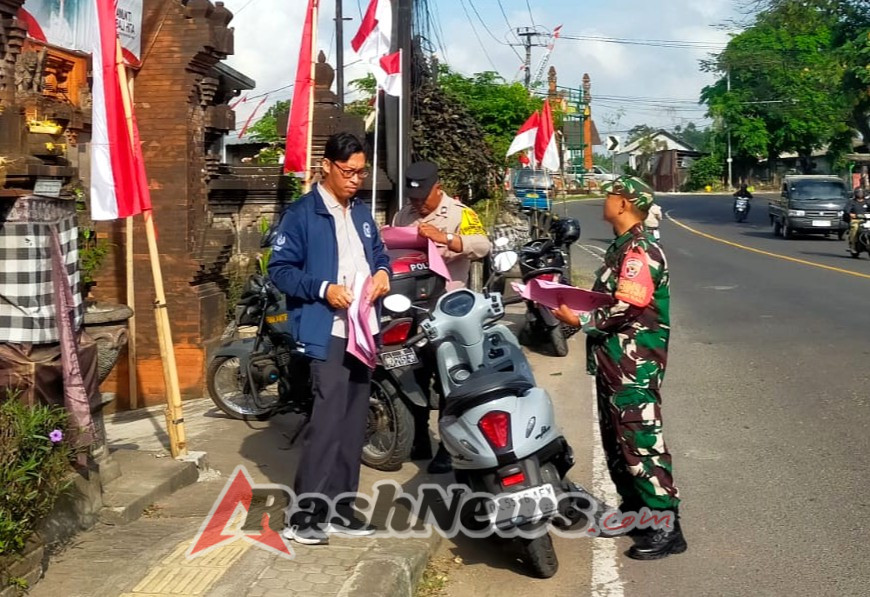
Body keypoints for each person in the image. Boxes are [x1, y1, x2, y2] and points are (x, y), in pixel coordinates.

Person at [551, 176, 686, 560]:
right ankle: (639, 513)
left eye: (610, 195)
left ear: (625, 203)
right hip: (615, 362)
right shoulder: (623, 246)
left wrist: (580, 320)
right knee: (618, 443)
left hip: (634, 366)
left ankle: (667, 526)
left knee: (642, 443)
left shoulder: (639, 251)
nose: (606, 201)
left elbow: (627, 304)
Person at [268, 132, 392, 545]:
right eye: (349, 171)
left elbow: (378, 254)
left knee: (356, 420)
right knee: (327, 419)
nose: (356, 180)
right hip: (328, 329)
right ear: (327, 166)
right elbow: (280, 270)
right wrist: (323, 289)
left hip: (363, 328)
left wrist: (382, 274)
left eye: (361, 172)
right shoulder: (302, 214)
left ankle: (340, 508)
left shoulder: (360, 212)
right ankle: (304, 515)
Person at [392, 161, 492, 474]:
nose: (418, 205)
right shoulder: (403, 215)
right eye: (413, 200)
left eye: (423, 198)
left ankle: (449, 447)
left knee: (449, 379)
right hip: (409, 308)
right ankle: (419, 438)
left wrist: (445, 238)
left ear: (438, 188)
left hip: (447, 312)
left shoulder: (462, 213)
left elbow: (482, 245)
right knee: (411, 373)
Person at [846, 187, 868, 254]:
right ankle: (852, 245)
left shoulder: (867, 202)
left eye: (861, 193)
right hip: (856, 220)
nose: (860, 194)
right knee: (854, 228)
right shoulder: (852, 202)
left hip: (867, 220)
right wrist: (851, 214)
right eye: (858, 193)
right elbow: (847, 210)